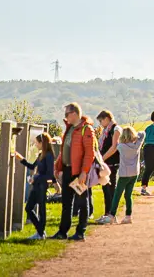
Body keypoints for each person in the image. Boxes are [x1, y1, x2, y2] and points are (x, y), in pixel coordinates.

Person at [51, 103, 95, 241]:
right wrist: (58, 167)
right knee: (66, 203)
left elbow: (90, 153)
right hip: (68, 170)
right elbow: (64, 150)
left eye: (67, 114)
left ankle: (80, 232)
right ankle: (62, 232)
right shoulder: (70, 129)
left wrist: (84, 172)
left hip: (78, 173)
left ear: (75, 114)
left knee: (82, 202)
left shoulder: (86, 129)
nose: (65, 117)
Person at [15, 132, 56, 236]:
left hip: (41, 186)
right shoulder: (40, 155)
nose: (36, 145)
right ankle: (41, 231)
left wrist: (36, 178)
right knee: (28, 208)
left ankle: (40, 233)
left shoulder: (49, 156)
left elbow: (49, 174)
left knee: (42, 210)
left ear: (42, 143)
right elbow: (32, 167)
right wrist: (21, 159)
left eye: (37, 143)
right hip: (37, 185)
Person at [112, 127, 145, 223]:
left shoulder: (121, 147)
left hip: (124, 174)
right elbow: (143, 133)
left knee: (117, 194)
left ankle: (112, 214)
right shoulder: (137, 144)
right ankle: (128, 216)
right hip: (134, 173)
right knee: (128, 195)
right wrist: (137, 135)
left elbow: (115, 146)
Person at [96, 111, 120, 222]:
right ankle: (107, 213)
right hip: (105, 163)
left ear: (107, 118)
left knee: (111, 188)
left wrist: (103, 158)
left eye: (101, 121)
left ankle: (112, 214)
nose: (100, 123)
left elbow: (114, 147)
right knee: (105, 188)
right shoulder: (106, 131)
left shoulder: (115, 129)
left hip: (112, 163)